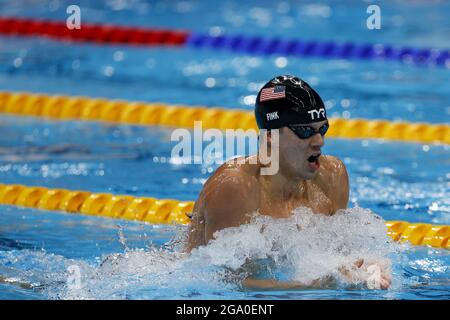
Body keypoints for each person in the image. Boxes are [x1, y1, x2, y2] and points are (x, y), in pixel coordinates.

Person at [184, 75, 391, 290]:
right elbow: (222, 284)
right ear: (272, 135)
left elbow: (338, 256)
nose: (320, 141)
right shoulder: (236, 187)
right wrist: (315, 287)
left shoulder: (332, 177)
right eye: (305, 131)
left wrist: (365, 267)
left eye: (322, 129)